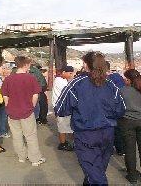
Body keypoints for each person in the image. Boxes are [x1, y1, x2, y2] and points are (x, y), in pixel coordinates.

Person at [54, 52, 126, 184]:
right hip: (108, 132)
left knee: (95, 173)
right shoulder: (111, 85)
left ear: (86, 65)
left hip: (86, 133)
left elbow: (60, 109)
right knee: (98, 169)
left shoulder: (76, 83)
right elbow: (121, 110)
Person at [1, 56, 46, 167]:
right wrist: (32, 106)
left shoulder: (8, 79)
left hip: (12, 112)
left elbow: (5, 95)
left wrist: (8, 106)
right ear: (25, 65)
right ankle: (35, 159)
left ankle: (22, 157)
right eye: (29, 65)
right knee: (30, 136)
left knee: (16, 136)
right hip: (26, 111)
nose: (29, 67)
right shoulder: (31, 78)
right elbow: (36, 95)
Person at [52, 66, 75, 151]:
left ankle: (65, 142)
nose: (71, 75)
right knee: (62, 126)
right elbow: (70, 90)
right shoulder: (60, 81)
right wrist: (72, 79)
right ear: (64, 72)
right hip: (61, 107)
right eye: (70, 73)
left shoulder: (60, 79)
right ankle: (62, 144)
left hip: (61, 106)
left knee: (65, 126)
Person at [108, 71, 126, 156]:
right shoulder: (120, 80)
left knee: (110, 132)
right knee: (119, 131)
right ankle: (121, 150)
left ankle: (110, 150)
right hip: (119, 111)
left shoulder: (109, 81)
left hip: (110, 111)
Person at [0, 58, 10, 139]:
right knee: (3, 116)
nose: (3, 70)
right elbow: (0, 89)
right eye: (2, 68)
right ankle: (1, 131)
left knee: (1, 116)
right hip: (0, 99)